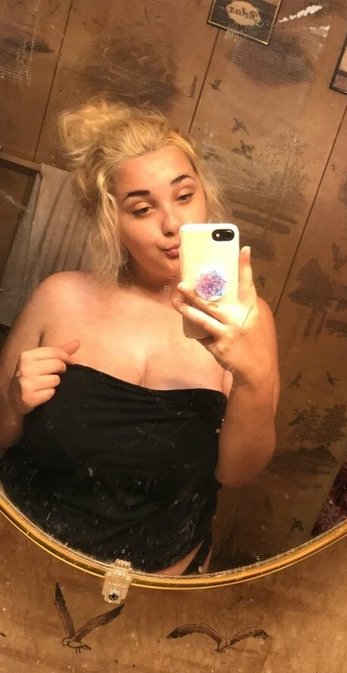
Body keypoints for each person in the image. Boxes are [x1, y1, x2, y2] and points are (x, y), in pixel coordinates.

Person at [0, 97, 279, 575]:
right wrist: (13, 399)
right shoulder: (60, 297)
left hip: (158, 588)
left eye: (184, 196)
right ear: (113, 222)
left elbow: (237, 473)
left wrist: (255, 378)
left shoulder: (245, 316)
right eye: (143, 208)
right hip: (20, 561)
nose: (172, 224)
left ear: (204, 195)